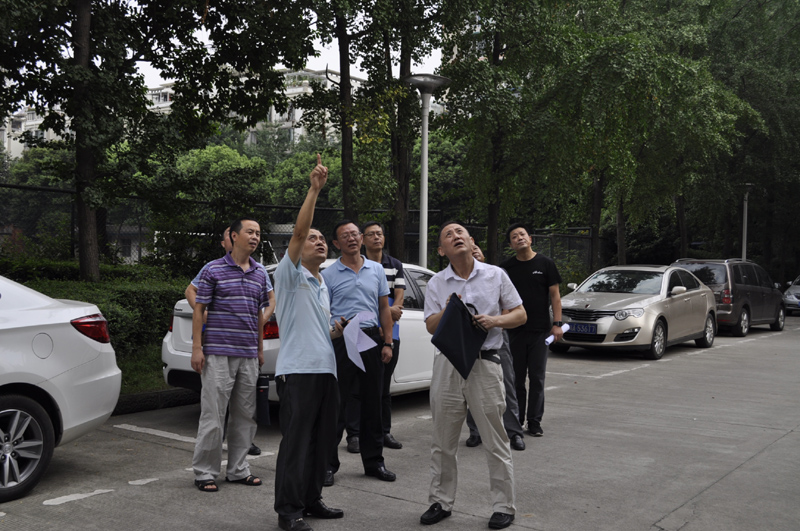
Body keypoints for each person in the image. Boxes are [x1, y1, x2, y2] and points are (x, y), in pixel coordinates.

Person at [421, 221, 526, 530]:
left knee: (495, 439)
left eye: (460, 232)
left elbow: (520, 314)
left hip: (485, 363)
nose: (455, 236)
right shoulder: (437, 282)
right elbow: (430, 325)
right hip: (448, 365)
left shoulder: (495, 275)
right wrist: (449, 308)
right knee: (443, 441)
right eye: (448, 235)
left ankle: (503, 506)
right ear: (441, 250)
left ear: (471, 241)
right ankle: (440, 501)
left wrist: (495, 321)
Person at [273, 154, 344, 531]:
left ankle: (311, 499)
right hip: (297, 372)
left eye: (322, 239)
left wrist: (336, 331)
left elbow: (316, 329)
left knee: (322, 441)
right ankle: (288, 510)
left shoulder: (322, 284)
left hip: (326, 371)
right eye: (312, 239)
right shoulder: (289, 276)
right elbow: (299, 232)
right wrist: (314, 190)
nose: (318, 242)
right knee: (297, 443)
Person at [191, 218, 271, 493]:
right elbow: (199, 309)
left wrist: (259, 349)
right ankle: (205, 472)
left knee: (245, 416)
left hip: (248, 355)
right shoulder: (213, 269)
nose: (255, 237)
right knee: (213, 415)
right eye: (250, 232)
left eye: (258, 233)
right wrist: (197, 348)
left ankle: (238, 470)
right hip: (217, 353)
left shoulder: (260, 273)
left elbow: (259, 314)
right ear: (234, 236)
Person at [322, 221, 396, 485]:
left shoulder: (376, 269)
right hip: (342, 338)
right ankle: (327, 465)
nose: (351, 238)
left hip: (368, 338)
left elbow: (384, 308)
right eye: (345, 236)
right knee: (336, 403)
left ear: (361, 238)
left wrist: (388, 342)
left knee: (372, 402)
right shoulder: (328, 275)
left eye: (355, 234)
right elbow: (324, 312)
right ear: (336, 243)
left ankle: (374, 462)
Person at [343, 221, 405, 452]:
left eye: (380, 233)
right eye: (371, 234)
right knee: (356, 387)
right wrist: (378, 319)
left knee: (383, 387)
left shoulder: (394, 265)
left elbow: (398, 301)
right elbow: (359, 302)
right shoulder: (356, 266)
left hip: (389, 333)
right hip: (362, 331)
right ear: (362, 239)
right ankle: (354, 434)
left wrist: (385, 325)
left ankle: (383, 431)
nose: (377, 237)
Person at [501, 223, 564, 437]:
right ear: (511, 244)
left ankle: (535, 421)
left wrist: (557, 324)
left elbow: (555, 296)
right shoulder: (506, 268)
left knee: (537, 378)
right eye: (514, 236)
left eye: (522, 234)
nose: (519, 238)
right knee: (516, 379)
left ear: (530, 238)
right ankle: (517, 419)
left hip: (540, 331)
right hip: (514, 331)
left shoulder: (546, 263)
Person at [464, 240, 526, 452]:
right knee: (470, 385)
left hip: (496, 337)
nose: (474, 252)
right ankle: (475, 431)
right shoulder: (454, 279)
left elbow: (512, 309)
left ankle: (514, 432)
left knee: (506, 384)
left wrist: (496, 321)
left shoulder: (495, 275)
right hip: (468, 340)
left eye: (476, 249)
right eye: (470, 250)